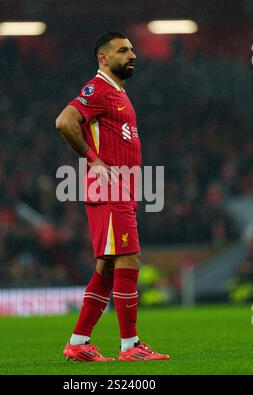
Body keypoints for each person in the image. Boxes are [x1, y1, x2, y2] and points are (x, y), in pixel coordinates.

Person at [56, 32, 169, 362]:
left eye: (132, 49)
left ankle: (79, 342)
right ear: (103, 58)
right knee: (129, 258)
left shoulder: (118, 92)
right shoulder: (99, 89)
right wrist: (93, 160)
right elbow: (65, 121)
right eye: (123, 50)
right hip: (111, 188)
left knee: (107, 267)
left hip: (122, 188)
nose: (132, 54)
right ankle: (130, 346)